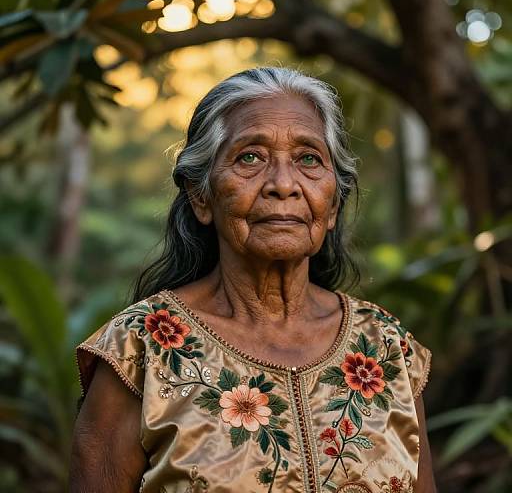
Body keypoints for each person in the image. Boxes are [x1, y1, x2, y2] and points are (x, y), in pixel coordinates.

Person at [70, 67, 435, 493]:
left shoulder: (388, 349)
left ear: (332, 204)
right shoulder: (141, 349)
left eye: (308, 159)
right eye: (250, 157)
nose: (283, 184)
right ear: (200, 195)